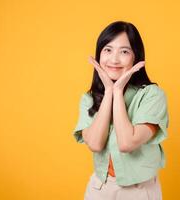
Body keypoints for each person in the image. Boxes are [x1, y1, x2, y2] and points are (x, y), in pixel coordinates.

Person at [73, 21, 169, 200]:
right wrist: (109, 91)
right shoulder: (89, 99)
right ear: (99, 54)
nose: (114, 59)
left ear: (136, 56)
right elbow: (94, 144)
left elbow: (127, 143)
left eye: (124, 51)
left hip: (139, 191)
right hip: (99, 188)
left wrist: (117, 91)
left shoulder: (152, 96)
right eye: (108, 50)